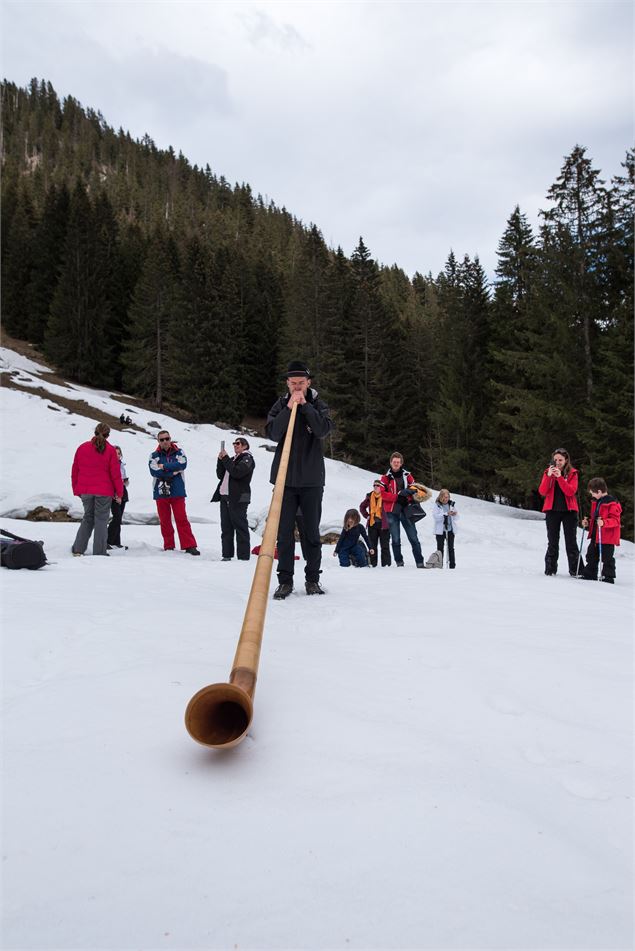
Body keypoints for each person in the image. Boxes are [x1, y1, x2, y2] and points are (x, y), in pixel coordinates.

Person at [266, 360, 333, 599]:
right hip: (285, 481)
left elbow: (323, 430)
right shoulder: (279, 404)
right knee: (284, 534)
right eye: (293, 383)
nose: (297, 388)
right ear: (287, 383)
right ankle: (285, 581)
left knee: (310, 533)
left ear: (308, 383)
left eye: (301, 384)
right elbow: (273, 433)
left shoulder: (318, 405)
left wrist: (305, 407)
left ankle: (312, 579)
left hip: (311, 482)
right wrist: (288, 408)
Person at [71, 423, 123, 556]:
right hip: (104, 491)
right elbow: (115, 474)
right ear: (108, 435)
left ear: (95, 432)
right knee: (101, 520)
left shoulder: (82, 448)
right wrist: (119, 493)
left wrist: (76, 488)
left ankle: (78, 549)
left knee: (88, 517)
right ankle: (99, 552)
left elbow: (75, 470)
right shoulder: (110, 450)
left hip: (85, 490)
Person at [149, 430, 200, 555]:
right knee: (164, 520)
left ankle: (189, 545)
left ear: (170, 439)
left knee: (181, 518)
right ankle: (169, 545)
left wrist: (164, 466)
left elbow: (182, 464)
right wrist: (172, 471)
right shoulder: (153, 455)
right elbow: (154, 471)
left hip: (177, 491)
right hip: (161, 491)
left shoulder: (179, 452)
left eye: (167, 438)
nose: (165, 441)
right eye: (162, 440)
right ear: (158, 441)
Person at [538, 447, 582, 576]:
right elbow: (542, 491)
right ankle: (550, 570)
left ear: (566, 460)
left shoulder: (573, 473)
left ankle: (576, 570)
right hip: (552, 511)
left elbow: (570, 491)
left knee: (571, 542)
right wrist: (549, 476)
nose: (557, 462)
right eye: (555, 459)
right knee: (552, 541)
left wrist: (560, 477)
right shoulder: (547, 472)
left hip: (569, 512)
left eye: (560, 460)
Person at [211, 437, 255, 561]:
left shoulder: (247, 459)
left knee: (240, 527)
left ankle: (243, 557)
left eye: (238, 443)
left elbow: (237, 473)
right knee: (226, 527)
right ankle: (227, 554)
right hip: (225, 497)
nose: (235, 445)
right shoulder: (232, 459)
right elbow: (220, 475)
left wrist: (225, 459)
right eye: (234, 443)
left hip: (239, 497)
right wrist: (220, 460)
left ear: (245, 446)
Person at [379, 452, 425, 568]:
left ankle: (420, 562)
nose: (396, 464)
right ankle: (399, 563)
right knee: (395, 539)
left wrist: (407, 495)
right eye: (394, 462)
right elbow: (383, 495)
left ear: (401, 463)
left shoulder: (407, 475)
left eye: (398, 462)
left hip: (406, 510)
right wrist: (397, 497)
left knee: (413, 537)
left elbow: (416, 489)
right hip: (392, 512)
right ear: (390, 462)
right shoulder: (385, 478)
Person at [581, 478, 622, 584]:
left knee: (607, 557)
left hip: (607, 537)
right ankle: (590, 573)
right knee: (591, 554)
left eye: (593, 493)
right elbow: (596, 518)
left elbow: (615, 521)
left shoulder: (612, 503)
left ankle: (608, 576)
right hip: (596, 535)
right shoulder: (597, 502)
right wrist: (588, 522)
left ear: (599, 491)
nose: (592, 496)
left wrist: (604, 523)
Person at [359, 479, 391, 567]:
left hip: (384, 525)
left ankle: (386, 564)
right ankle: (373, 564)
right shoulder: (370, 496)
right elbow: (362, 507)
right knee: (372, 545)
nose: (375, 487)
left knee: (385, 545)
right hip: (372, 524)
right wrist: (366, 515)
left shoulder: (385, 496)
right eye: (374, 485)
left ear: (382, 487)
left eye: (378, 485)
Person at [107, 445, 129, 550]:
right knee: (116, 517)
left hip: (123, 491)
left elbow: (122, 478)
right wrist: (116, 493)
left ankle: (116, 541)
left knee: (119, 518)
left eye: (119, 453)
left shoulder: (121, 465)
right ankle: (108, 540)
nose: (117, 455)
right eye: (115, 453)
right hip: (114, 492)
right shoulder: (110, 465)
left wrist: (125, 481)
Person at [433, 489, 458, 568]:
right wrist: (446, 514)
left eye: (447, 497)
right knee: (440, 549)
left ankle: (452, 566)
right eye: (444, 497)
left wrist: (454, 514)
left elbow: (457, 518)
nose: (446, 499)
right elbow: (436, 517)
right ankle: (439, 565)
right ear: (440, 497)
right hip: (440, 531)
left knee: (451, 548)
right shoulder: (437, 505)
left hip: (450, 530)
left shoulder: (451, 504)